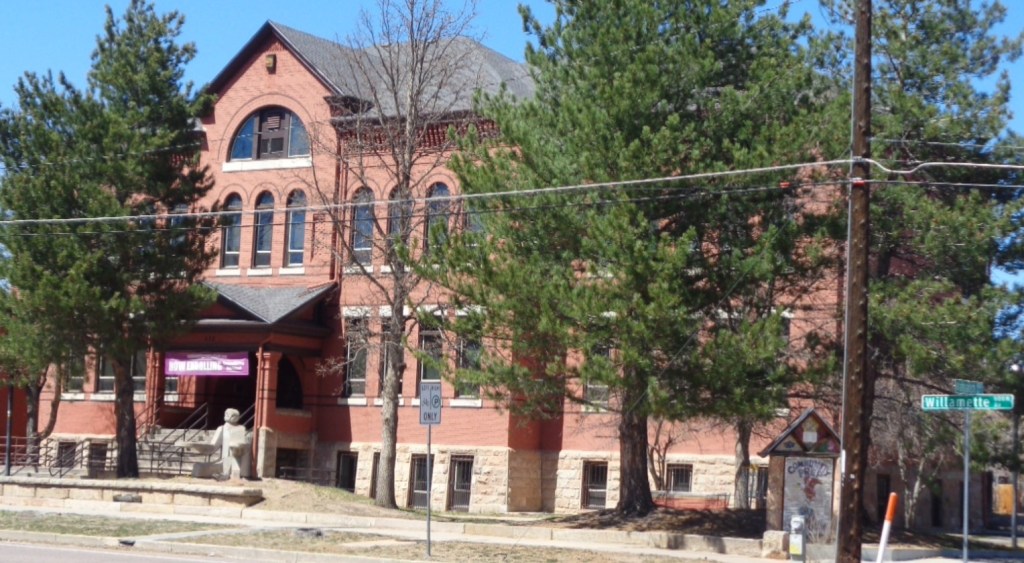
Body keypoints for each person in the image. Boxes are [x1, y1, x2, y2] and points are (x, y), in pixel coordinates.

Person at [209, 408, 252, 480]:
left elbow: (242, 443)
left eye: (232, 415)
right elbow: (213, 446)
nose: (227, 415)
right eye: (226, 414)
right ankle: (225, 474)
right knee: (200, 467)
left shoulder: (241, 428)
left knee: (235, 460)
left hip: (236, 454)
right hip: (225, 458)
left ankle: (228, 475)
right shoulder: (222, 428)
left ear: (236, 417)